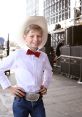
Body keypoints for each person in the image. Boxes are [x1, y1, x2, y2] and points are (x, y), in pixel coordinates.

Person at [0, 16, 52, 117]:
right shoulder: (17, 54)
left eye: (39, 36)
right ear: (25, 37)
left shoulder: (43, 56)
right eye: (32, 36)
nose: (36, 39)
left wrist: (45, 85)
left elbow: (49, 71)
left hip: (38, 101)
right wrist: (9, 87)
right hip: (21, 100)